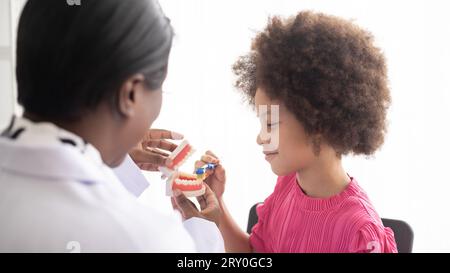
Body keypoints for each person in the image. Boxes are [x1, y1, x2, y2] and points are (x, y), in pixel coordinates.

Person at [0, 0, 223, 252]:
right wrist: (206, 237)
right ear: (130, 95)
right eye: (161, 88)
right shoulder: (150, 240)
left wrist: (105, 164)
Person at [195, 11, 398, 253]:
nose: (260, 137)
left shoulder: (359, 234)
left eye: (270, 123)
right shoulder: (287, 187)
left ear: (317, 123)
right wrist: (217, 204)